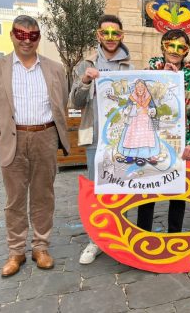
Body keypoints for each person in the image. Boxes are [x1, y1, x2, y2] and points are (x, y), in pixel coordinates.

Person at [0, 15, 69, 277]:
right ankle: (16, 251)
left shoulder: (55, 69)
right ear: (12, 35)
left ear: (39, 37)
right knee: (15, 199)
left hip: (45, 136)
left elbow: (60, 102)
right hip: (13, 138)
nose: (26, 41)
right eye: (21, 35)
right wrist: (5, 126)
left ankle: (40, 247)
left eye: (32, 36)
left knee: (44, 196)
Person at [70, 14, 133, 264]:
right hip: (95, 137)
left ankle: (119, 236)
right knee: (97, 189)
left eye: (115, 33)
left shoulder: (129, 66)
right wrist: (85, 80)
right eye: (105, 33)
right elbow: (75, 102)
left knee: (123, 188)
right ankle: (96, 239)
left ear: (121, 35)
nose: (110, 38)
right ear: (98, 35)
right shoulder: (85, 64)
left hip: (121, 139)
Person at [136, 29, 190, 233]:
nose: (175, 50)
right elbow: (140, 102)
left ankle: (175, 237)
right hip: (151, 141)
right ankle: (144, 237)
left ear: (186, 51)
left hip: (179, 142)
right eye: (170, 45)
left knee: (177, 192)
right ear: (163, 47)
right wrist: (162, 77)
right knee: (148, 191)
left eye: (180, 46)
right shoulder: (149, 71)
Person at [116, 79, 161, 166]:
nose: (140, 88)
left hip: (145, 120)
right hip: (134, 121)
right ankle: (130, 155)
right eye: (138, 86)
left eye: (142, 86)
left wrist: (152, 110)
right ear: (135, 88)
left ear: (145, 88)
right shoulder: (132, 97)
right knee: (132, 137)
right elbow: (127, 108)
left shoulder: (148, 97)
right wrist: (129, 109)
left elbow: (152, 107)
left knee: (145, 137)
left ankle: (143, 156)